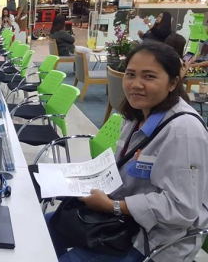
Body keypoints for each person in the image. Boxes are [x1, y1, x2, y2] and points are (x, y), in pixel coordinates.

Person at [45, 42, 208, 261]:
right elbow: (123, 169)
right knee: (40, 228)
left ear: (173, 83)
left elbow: (182, 208)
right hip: (119, 220)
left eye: (149, 77)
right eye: (130, 74)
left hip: (151, 241)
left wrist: (113, 206)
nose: (136, 84)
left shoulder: (183, 131)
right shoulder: (136, 117)